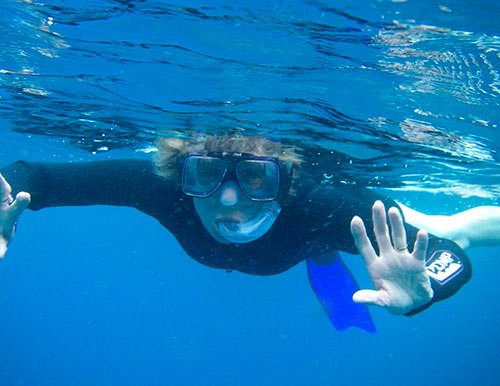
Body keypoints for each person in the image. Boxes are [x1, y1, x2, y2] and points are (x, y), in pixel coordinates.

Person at [1, 134, 498, 332]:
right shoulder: (160, 188)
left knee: (441, 228)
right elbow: (36, 178)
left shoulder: (324, 204)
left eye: (256, 177)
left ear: (287, 183)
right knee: (328, 245)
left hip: (325, 228)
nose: (230, 199)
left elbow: (449, 256)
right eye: (205, 175)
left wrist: (420, 294)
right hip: (306, 238)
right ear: (182, 176)